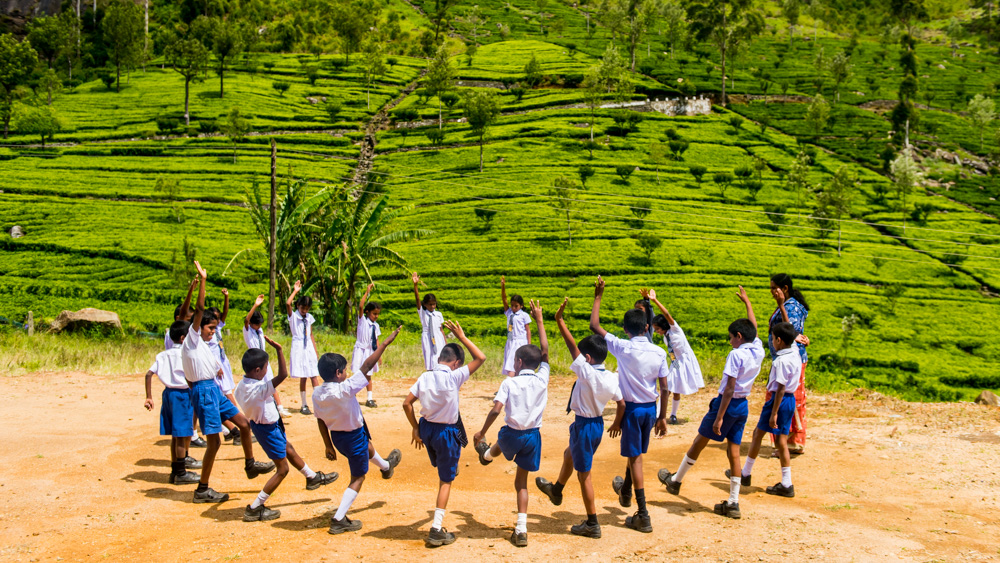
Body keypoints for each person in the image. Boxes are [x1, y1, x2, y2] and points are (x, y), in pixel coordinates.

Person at [657, 287, 764, 520]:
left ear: (738, 335)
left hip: (725, 405)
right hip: (743, 406)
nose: (729, 341)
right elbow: (753, 329)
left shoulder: (736, 354)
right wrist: (748, 303)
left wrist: (718, 417)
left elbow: (728, 389)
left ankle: (675, 481)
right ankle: (733, 502)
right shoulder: (757, 349)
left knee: (700, 441)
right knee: (734, 452)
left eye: (730, 337)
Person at [183, 260, 275, 504]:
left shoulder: (201, 345)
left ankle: (250, 465)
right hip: (204, 392)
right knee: (216, 441)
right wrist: (203, 280)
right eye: (210, 328)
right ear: (198, 327)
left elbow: (195, 370)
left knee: (244, 425)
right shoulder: (192, 339)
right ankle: (203, 489)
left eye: (214, 328)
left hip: (211, 388)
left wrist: (214, 373)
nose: (213, 331)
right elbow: (199, 308)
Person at [535, 297, 625, 539]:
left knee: (584, 474)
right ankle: (556, 490)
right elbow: (621, 402)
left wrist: (559, 320)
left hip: (585, 425)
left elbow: (572, 346)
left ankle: (592, 522)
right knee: (569, 455)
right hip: (594, 425)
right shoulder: (611, 377)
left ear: (588, 358)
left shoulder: (587, 373)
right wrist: (617, 422)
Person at [589, 276, 669, 534]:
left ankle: (642, 513)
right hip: (650, 409)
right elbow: (665, 387)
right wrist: (663, 417)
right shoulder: (659, 353)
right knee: (635, 452)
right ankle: (625, 491)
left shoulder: (622, 347)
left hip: (632, 410)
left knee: (636, 458)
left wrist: (599, 295)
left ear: (625, 329)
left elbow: (594, 325)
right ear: (647, 327)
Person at [234, 332, 339, 522]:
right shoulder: (258, 389)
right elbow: (283, 374)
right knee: (282, 469)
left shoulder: (242, 385)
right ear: (258, 370)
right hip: (267, 429)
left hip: (265, 426)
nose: (268, 370)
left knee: (288, 448)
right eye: (266, 367)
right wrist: (280, 350)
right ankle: (255, 507)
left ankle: (311, 477)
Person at [402, 320, 486, 548]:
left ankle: (448, 463)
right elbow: (481, 358)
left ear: (440, 358)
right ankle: (437, 529)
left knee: (444, 462)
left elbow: (407, 404)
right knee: (446, 481)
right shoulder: (455, 376)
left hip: (427, 429)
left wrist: (415, 427)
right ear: (457, 363)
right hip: (446, 432)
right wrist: (462, 337)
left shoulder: (425, 376)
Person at [474, 300, 549, 548]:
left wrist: (481, 432)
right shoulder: (542, 379)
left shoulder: (510, 383)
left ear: (517, 363)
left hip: (512, 434)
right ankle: (521, 529)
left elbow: (496, 410)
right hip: (533, 437)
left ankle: (486, 454)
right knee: (521, 483)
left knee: (500, 439)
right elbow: (546, 353)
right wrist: (539, 320)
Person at [314, 326, 403, 535]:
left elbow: (319, 420)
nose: (347, 373)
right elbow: (366, 366)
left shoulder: (317, 393)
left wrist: (328, 445)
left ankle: (386, 466)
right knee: (358, 477)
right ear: (338, 374)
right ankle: (338, 519)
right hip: (352, 436)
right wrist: (384, 344)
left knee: (368, 446)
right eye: (345, 370)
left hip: (338, 437)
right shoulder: (345, 388)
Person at [729, 321, 802, 499]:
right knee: (780, 440)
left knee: (759, 435)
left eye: (773, 339)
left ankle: (746, 473)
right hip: (789, 400)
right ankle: (786, 482)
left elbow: (781, 388)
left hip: (778, 400)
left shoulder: (781, 361)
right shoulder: (795, 352)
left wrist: (774, 412)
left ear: (778, 340)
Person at [144, 320, 200, 485]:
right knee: (182, 436)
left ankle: (175, 471)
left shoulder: (163, 354)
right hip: (183, 395)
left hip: (168, 394)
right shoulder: (186, 354)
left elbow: (148, 374)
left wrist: (148, 397)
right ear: (184, 338)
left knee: (176, 436)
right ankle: (181, 473)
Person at [648, 289, 704, 425]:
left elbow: (666, 314)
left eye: (657, 329)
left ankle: (673, 415)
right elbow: (671, 352)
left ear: (663, 326)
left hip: (686, 361)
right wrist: (674, 366)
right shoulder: (666, 337)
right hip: (676, 362)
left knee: (676, 389)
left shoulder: (675, 329)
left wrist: (655, 300)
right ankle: (657, 415)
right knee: (668, 388)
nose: (656, 331)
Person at [769, 273, 810, 455]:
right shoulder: (792, 305)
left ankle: (787, 442)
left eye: (774, 288)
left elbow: (789, 331)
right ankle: (791, 441)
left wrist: (780, 306)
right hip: (790, 358)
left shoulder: (790, 307)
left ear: (784, 288)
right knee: (793, 399)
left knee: (785, 398)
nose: (771, 292)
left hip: (789, 359)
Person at [244, 294, 291, 418]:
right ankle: (261, 409)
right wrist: (256, 304)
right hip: (255, 361)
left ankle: (279, 407)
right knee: (259, 386)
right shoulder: (248, 331)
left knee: (270, 383)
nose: (259, 326)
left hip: (264, 360)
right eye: (257, 324)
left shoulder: (259, 331)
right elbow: (246, 320)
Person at [286, 280, 321, 415]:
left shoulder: (309, 318)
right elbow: (288, 303)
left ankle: (319, 402)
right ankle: (304, 404)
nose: (304, 311)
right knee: (303, 376)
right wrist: (295, 291)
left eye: (306, 309)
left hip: (309, 347)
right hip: (299, 347)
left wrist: (315, 350)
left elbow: (310, 334)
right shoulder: (293, 317)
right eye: (302, 308)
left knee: (314, 374)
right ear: (298, 306)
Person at [351, 282, 381, 408]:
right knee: (358, 374)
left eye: (378, 314)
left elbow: (377, 340)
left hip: (370, 351)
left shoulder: (376, 325)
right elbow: (361, 306)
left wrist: (378, 354)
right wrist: (367, 291)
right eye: (374, 314)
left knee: (369, 375)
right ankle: (353, 397)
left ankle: (369, 398)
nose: (376, 316)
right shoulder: (362, 320)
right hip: (360, 350)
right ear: (368, 312)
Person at [412, 272, 447, 371]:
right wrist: (415, 285)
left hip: (438, 337)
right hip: (428, 337)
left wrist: (445, 342)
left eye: (434, 304)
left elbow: (441, 329)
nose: (432, 306)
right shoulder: (423, 313)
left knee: (440, 358)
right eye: (430, 304)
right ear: (425, 304)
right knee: (429, 358)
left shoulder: (438, 314)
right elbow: (417, 299)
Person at [500, 276, 531, 376]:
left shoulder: (524, 315)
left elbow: (528, 330)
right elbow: (504, 299)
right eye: (512, 305)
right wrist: (503, 287)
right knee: (511, 364)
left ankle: (510, 385)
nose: (513, 308)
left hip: (520, 341)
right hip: (510, 341)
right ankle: (514, 383)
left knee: (512, 365)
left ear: (521, 305)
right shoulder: (509, 313)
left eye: (516, 306)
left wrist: (529, 345)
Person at [166, 277, 197, 350]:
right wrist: (191, 290)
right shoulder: (174, 333)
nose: (191, 323)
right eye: (189, 320)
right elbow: (183, 313)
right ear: (177, 318)